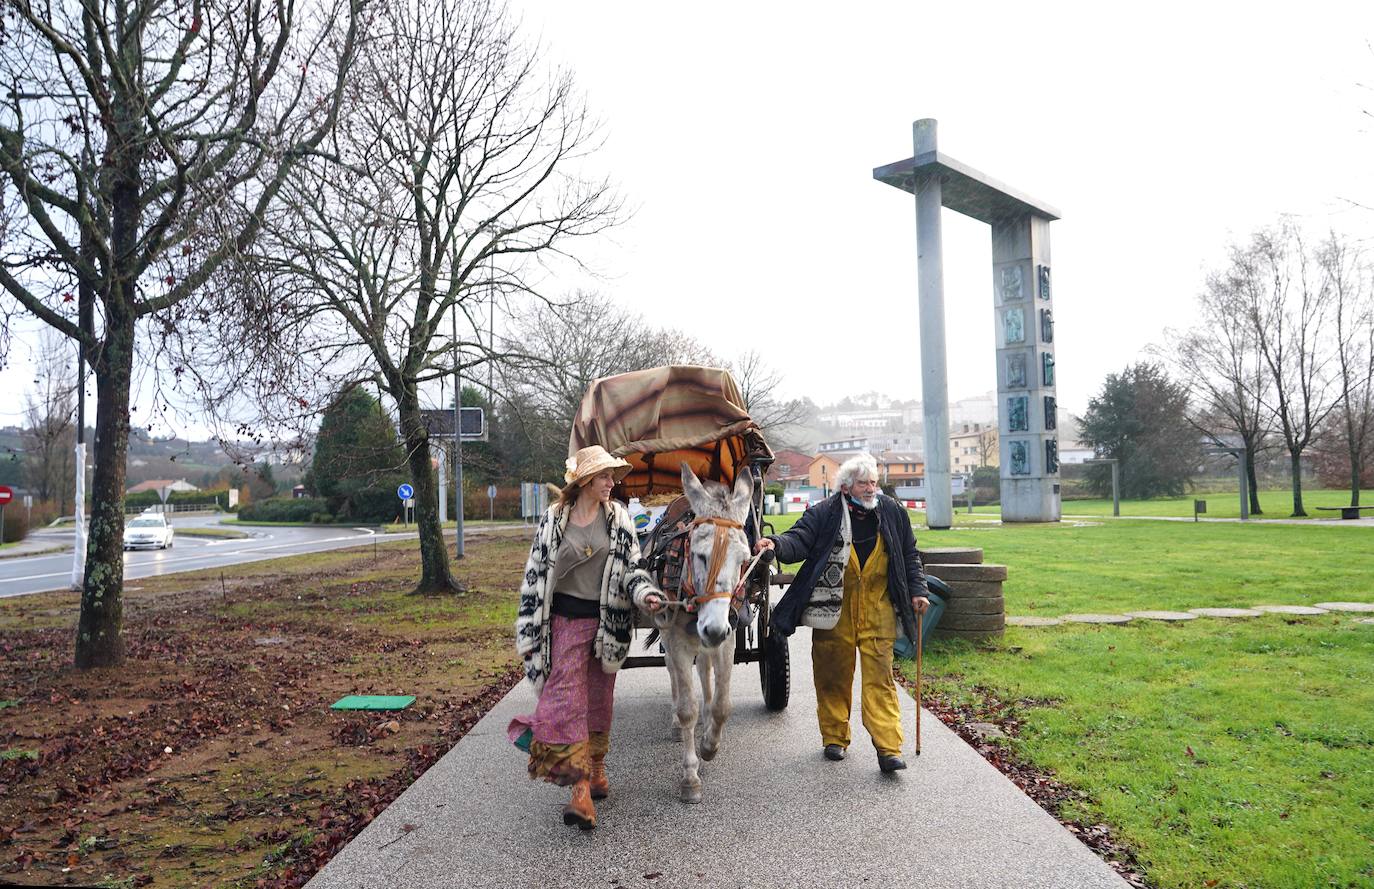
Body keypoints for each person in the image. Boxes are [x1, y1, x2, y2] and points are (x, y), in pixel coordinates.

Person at [509, 445, 662, 830]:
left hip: (606, 625)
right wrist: (531, 627)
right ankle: (578, 790)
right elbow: (535, 576)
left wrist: (647, 594)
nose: (612, 483)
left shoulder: (619, 520)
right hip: (563, 625)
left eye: (612, 477)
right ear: (585, 482)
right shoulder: (553, 520)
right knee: (565, 702)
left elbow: (633, 570)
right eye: (605, 477)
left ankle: (596, 768)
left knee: (598, 700)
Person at [754, 453, 935, 773]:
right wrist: (775, 545)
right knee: (832, 675)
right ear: (847, 486)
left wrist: (918, 590)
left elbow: (909, 553)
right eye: (864, 483)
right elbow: (799, 539)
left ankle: (888, 747)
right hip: (832, 608)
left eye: (875, 483)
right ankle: (835, 737)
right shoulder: (825, 512)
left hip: (878, 607)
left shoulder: (892, 512)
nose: (871, 489)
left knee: (881, 679)